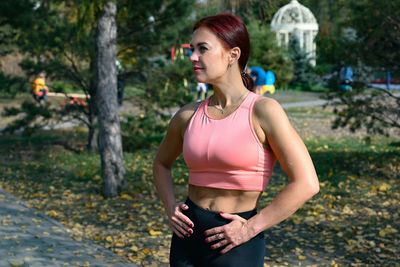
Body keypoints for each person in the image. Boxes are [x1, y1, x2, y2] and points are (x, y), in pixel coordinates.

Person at [153, 14, 319, 267]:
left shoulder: (264, 111)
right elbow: (161, 164)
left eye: (202, 49)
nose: (193, 57)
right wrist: (170, 206)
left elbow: (307, 183)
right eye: (192, 49)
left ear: (233, 54)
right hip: (186, 238)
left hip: (236, 242)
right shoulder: (187, 115)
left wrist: (250, 228)